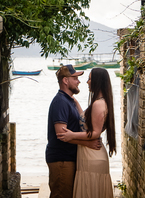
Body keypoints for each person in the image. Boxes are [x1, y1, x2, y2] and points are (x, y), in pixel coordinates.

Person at [57, 67, 116, 198]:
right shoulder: (101, 102)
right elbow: (85, 120)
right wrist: (74, 101)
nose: (87, 82)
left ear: (97, 81)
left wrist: (71, 135)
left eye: (89, 79)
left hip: (92, 157)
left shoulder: (98, 104)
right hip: (91, 156)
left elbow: (95, 133)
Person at [46, 64, 97, 198]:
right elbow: (61, 134)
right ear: (65, 80)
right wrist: (88, 144)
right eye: (75, 78)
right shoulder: (61, 102)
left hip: (68, 158)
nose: (79, 81)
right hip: (61, 159)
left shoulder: (69, 100)